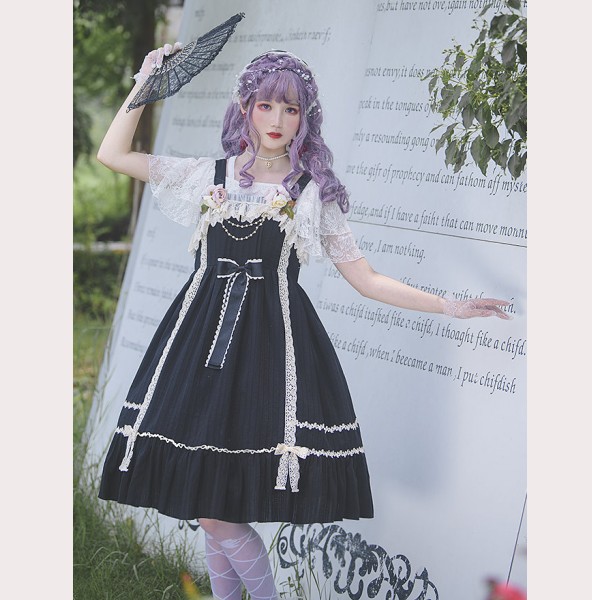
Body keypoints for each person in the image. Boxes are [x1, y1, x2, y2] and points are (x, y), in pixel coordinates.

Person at [96, 44, 510, 600]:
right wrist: (146, 81)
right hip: (198, 346)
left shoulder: (310, 193)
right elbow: (112, 153)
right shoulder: (206, 175)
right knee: (208, 506)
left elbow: (367, 279)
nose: (277, 120)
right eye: (266, 105)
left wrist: (450, 305)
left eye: (291, 109)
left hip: (269, 353)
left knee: (218, 510)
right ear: (245, 107)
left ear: (304, 118)